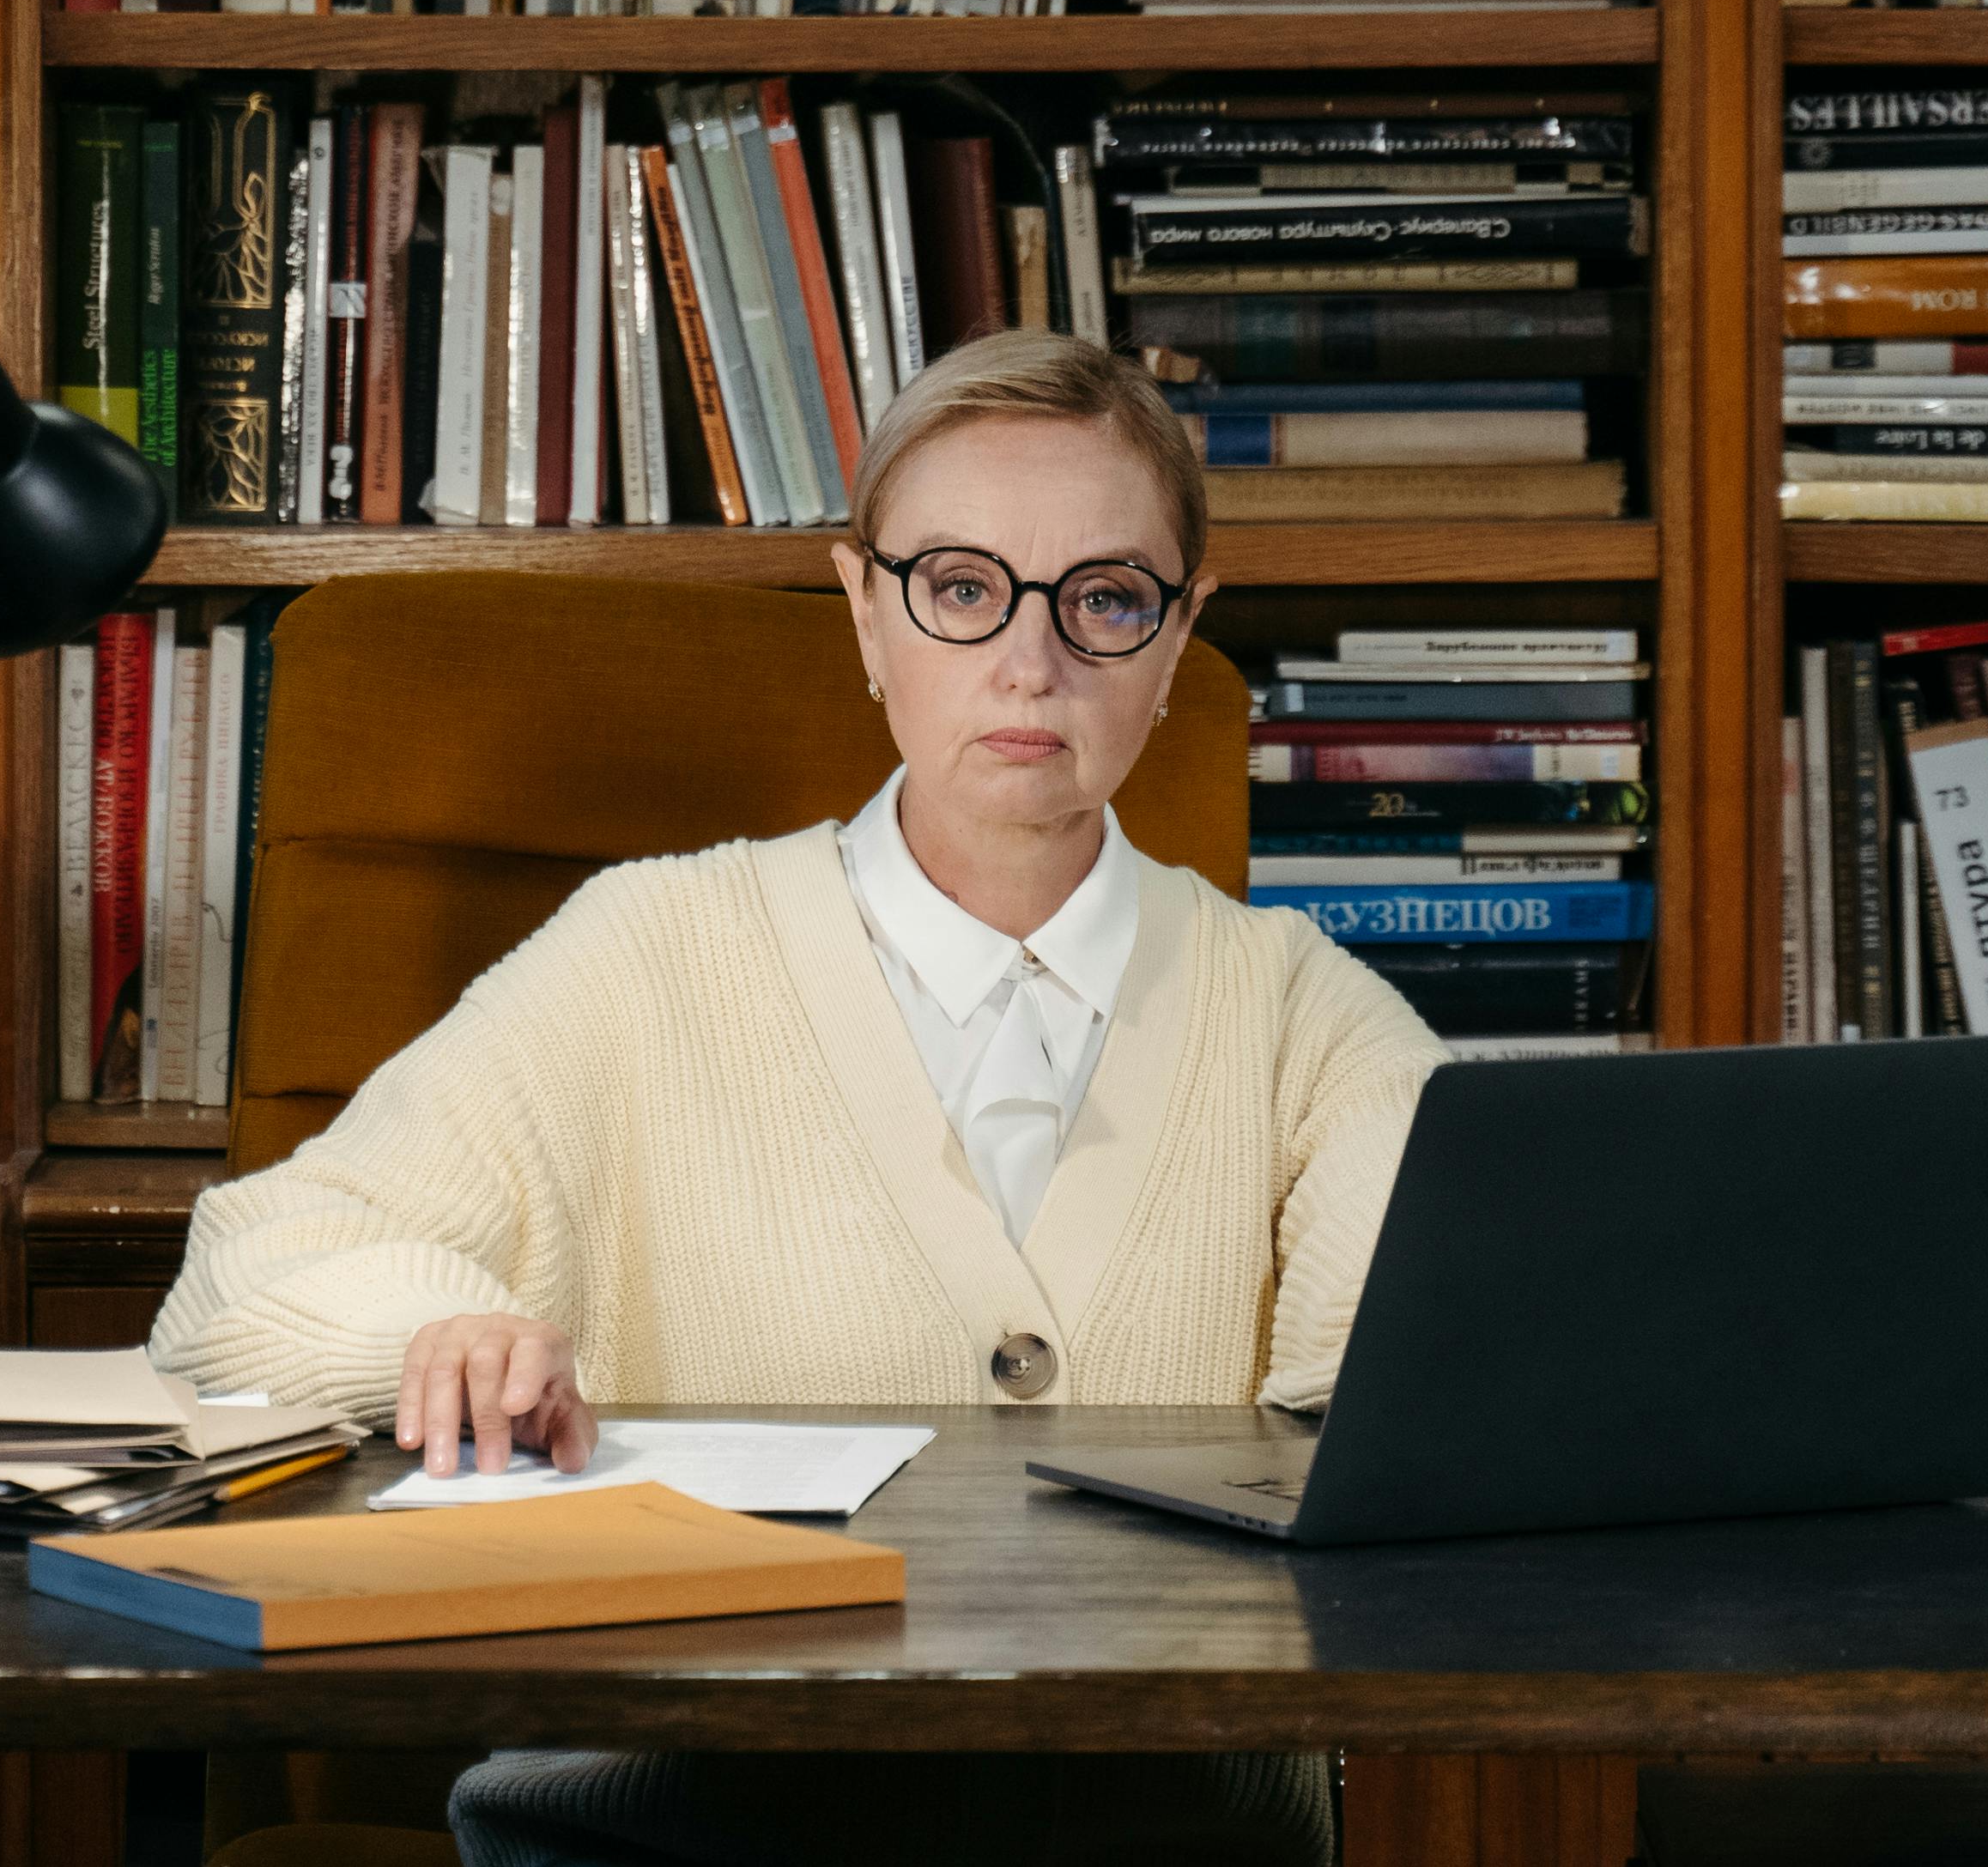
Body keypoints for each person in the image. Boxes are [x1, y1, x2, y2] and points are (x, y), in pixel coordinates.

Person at [148, 331, 1446, 1867]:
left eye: (1103, 599)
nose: (1030, 663)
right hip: (673, 1835)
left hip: (1159, 1841)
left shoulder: (1302, 1010)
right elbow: (247, 1267)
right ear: (865, 609)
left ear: (1178, 637)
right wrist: (435, 1335)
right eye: (960, 587)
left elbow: (1433, 1372)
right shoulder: (648, 947)